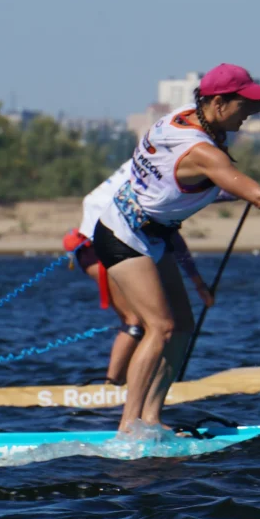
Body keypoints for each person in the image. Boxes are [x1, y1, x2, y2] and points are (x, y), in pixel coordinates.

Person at [92, 39, 260, 432]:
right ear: (219, 103)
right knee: (160, 327)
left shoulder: (191, 113)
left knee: (182, 327)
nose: (250, 112)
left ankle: (152, 418)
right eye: (243, 106)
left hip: (155, 235)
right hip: (121, 233)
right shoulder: (201, 151)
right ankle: (129, 427)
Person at [62, 161, 215, 386]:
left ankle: (124, 383)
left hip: (106, 243)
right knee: (136, 320)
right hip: (99, 245)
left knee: (146, 322)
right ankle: (112, 386)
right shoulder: (161, 181)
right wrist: (198, 283)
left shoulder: (153, 166)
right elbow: (174, 239)